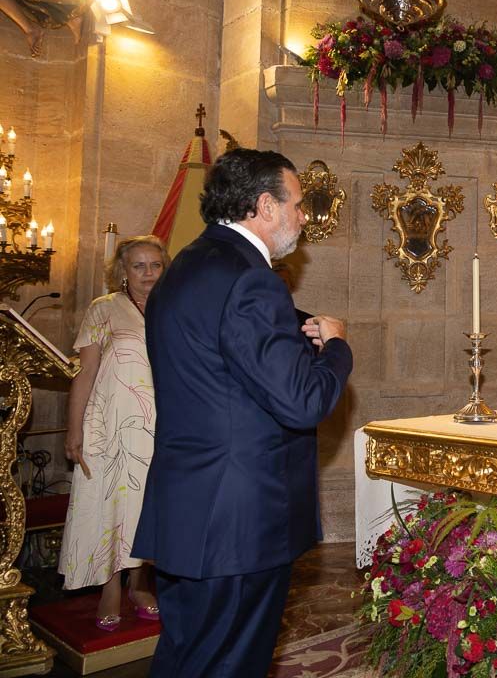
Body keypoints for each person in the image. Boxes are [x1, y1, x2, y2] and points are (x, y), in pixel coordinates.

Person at [132, 148, 353, 677]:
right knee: (232, 664)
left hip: (187, 508)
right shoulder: (251, 278)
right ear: (264, 205)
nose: (303, 216)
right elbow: (303, 402)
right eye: (296, 204)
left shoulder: (184, 267)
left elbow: (220, 372)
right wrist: (338, 348)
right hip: (239, 522)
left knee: (187, 657)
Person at [59, 235, 169, 630]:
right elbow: (84, 373)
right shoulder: (102, 310)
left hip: (159, 426)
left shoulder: (172, 308)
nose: (148, 273)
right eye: (139, 266)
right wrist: (74, 431)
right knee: (110, 506)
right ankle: (109, 588)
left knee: (147, 509)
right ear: (122, 271)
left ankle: (139, 585)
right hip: (108, 427)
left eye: (155, 265)